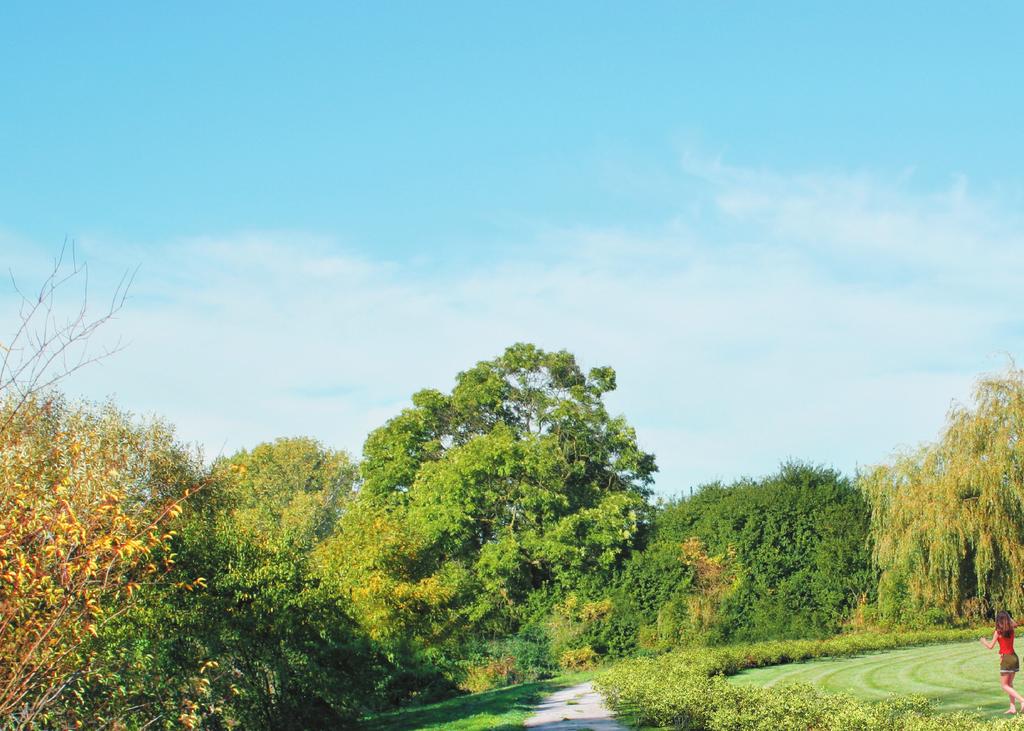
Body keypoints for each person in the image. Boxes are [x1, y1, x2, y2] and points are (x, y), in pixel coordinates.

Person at [981, 611, 1024, 713]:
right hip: (1014, 657)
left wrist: (983, 641)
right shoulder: (1011, 629)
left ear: (998, 621)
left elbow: (990, 646)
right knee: (1009, 684)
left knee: (1004, 685)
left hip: (1006, 659)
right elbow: (1015, 623)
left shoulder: (998, 632)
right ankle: (1012, 708)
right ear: (1008, 620)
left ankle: (1022, 700)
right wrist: (1007, 618)